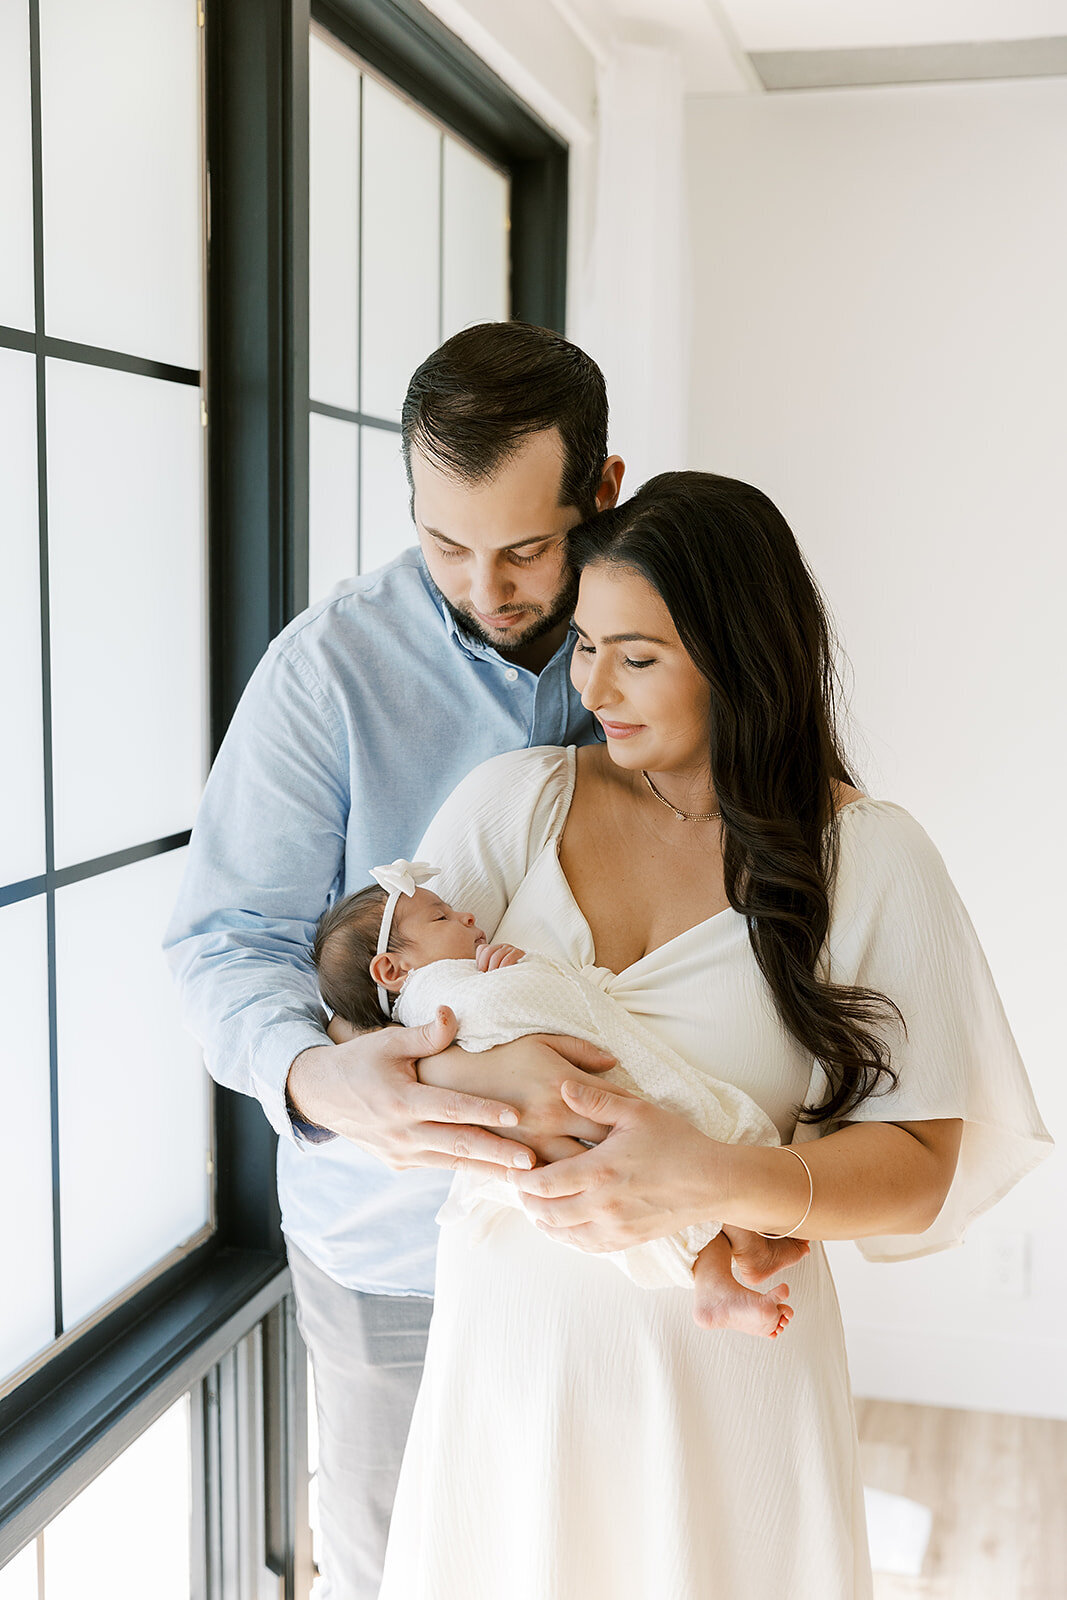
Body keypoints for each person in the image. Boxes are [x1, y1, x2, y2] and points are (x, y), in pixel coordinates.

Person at [367, 471, 1053, 1600]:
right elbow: (389, 1022)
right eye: (585, 646)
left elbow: (921, 1173)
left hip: (722, 1385)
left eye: (637, 657)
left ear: (743, 656)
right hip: (510, 1374)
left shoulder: (866, 857)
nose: (594, 686)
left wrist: (709, 1176)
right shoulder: (510, 804)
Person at [164, 322, 629, 1600]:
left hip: (619, 1235)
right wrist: (319, 1082)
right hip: (389, 1255)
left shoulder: (667, 641)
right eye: (443, 544)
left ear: (604, 490)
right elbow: (222, 941)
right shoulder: (325, 673)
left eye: (526, 549)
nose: (485, 586)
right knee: (395, 1575)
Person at [310, 865, 806, 1333]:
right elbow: (502, 1010)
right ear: (392, 969)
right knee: (681, 1137)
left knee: (654, 1182)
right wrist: (519, 976)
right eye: (441, 917)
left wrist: (508, 970)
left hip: (557, 1130)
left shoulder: (452, 986)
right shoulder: (432, 1001)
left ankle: (717, 1279)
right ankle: (735, 1251)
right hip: (566, 1107)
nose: (466, 916)